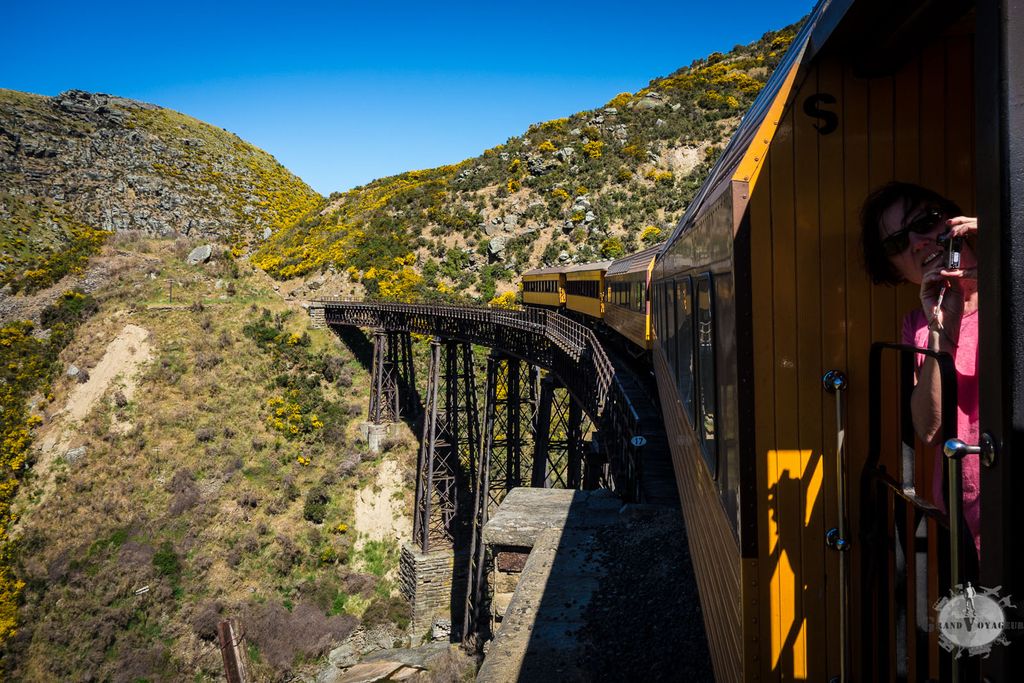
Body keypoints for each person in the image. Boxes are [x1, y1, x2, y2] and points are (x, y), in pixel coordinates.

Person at [861, 181, 980, 556]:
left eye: (926, 222)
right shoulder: (919, 325)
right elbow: (929, 428)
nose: (917, 242)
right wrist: (942, 329)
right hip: (966, 521)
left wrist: (1008, 242)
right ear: (895, 268)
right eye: (897, 243)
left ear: (954, 221)